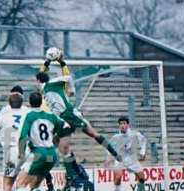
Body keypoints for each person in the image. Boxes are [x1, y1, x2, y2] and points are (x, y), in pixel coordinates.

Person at [36, 53, 122, 183]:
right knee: (61, 147)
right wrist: (47, 61)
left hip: (69, 114)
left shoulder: (54, 83)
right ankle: (73, 175)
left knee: (89, 135)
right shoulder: (43, 87)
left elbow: (68, 77)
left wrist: (63, 66)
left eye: (36, 80)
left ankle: (114, 154)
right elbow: (41, 72)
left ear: (39, 80)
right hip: (61, 119)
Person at [11, 91, 70, 191]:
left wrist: (21, 152)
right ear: (41, 102)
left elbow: (23, 136)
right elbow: (66, 126)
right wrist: (56, 136)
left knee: (21, 183)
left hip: (38, 153)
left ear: (30, 103)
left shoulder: (30, 116)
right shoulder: (51, 116)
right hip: (51, 155)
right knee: (36, 183)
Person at [104, 117, 149, 191]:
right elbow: (108, 147)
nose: (122, 125)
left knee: (142, 178)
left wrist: (142, 152)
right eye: (121, 124)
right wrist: (108, 158)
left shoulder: (134, 134)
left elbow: (143, 140)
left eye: (124, 123)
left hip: (132, 159)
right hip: (120, 159)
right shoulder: (116, 137)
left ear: (127, 125)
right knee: (118, 177)